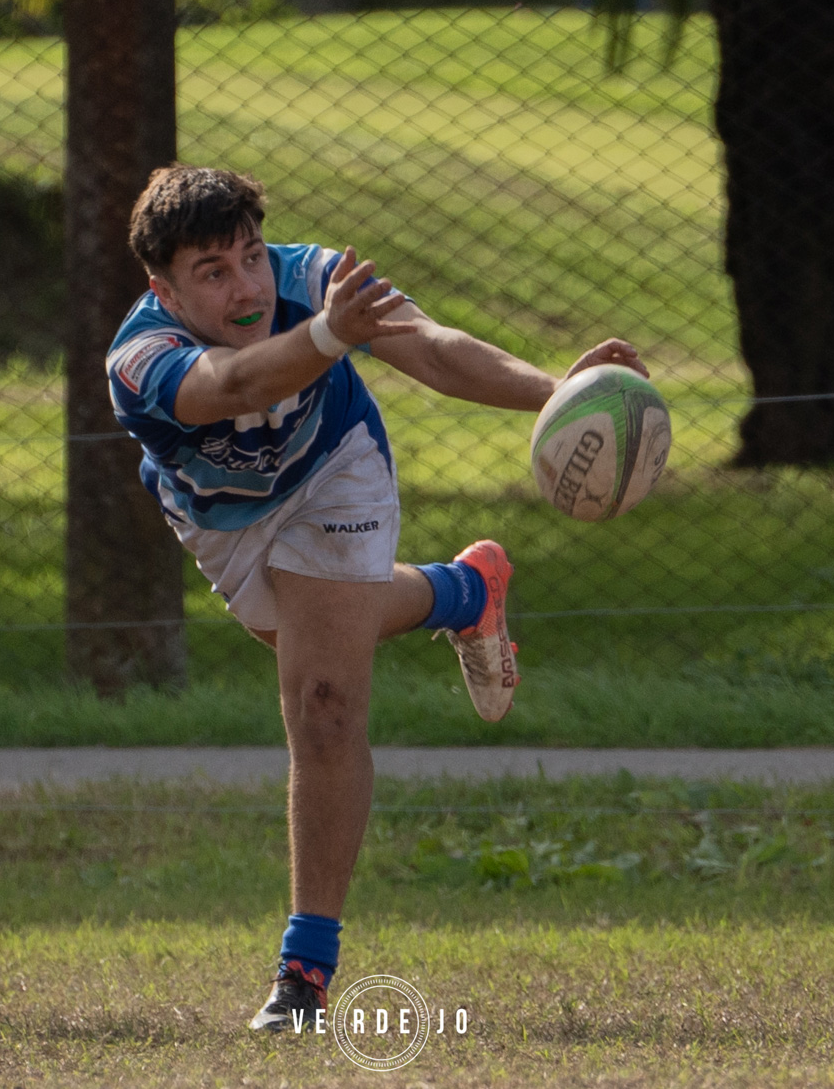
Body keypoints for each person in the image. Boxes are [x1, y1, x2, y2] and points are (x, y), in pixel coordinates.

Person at [107, 165, 646, 1030]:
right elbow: (237, 387)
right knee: (296, 641)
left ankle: (303, 976)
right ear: (161, 285)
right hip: (221, 519)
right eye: (213, 272)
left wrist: (559, 395)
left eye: (251, 255)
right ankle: (464, 591)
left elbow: (429, 346)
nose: (246, 285)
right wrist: (326, 336)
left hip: (333, 472)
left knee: (323, 702)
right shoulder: (138, 360)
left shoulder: (316, 279)